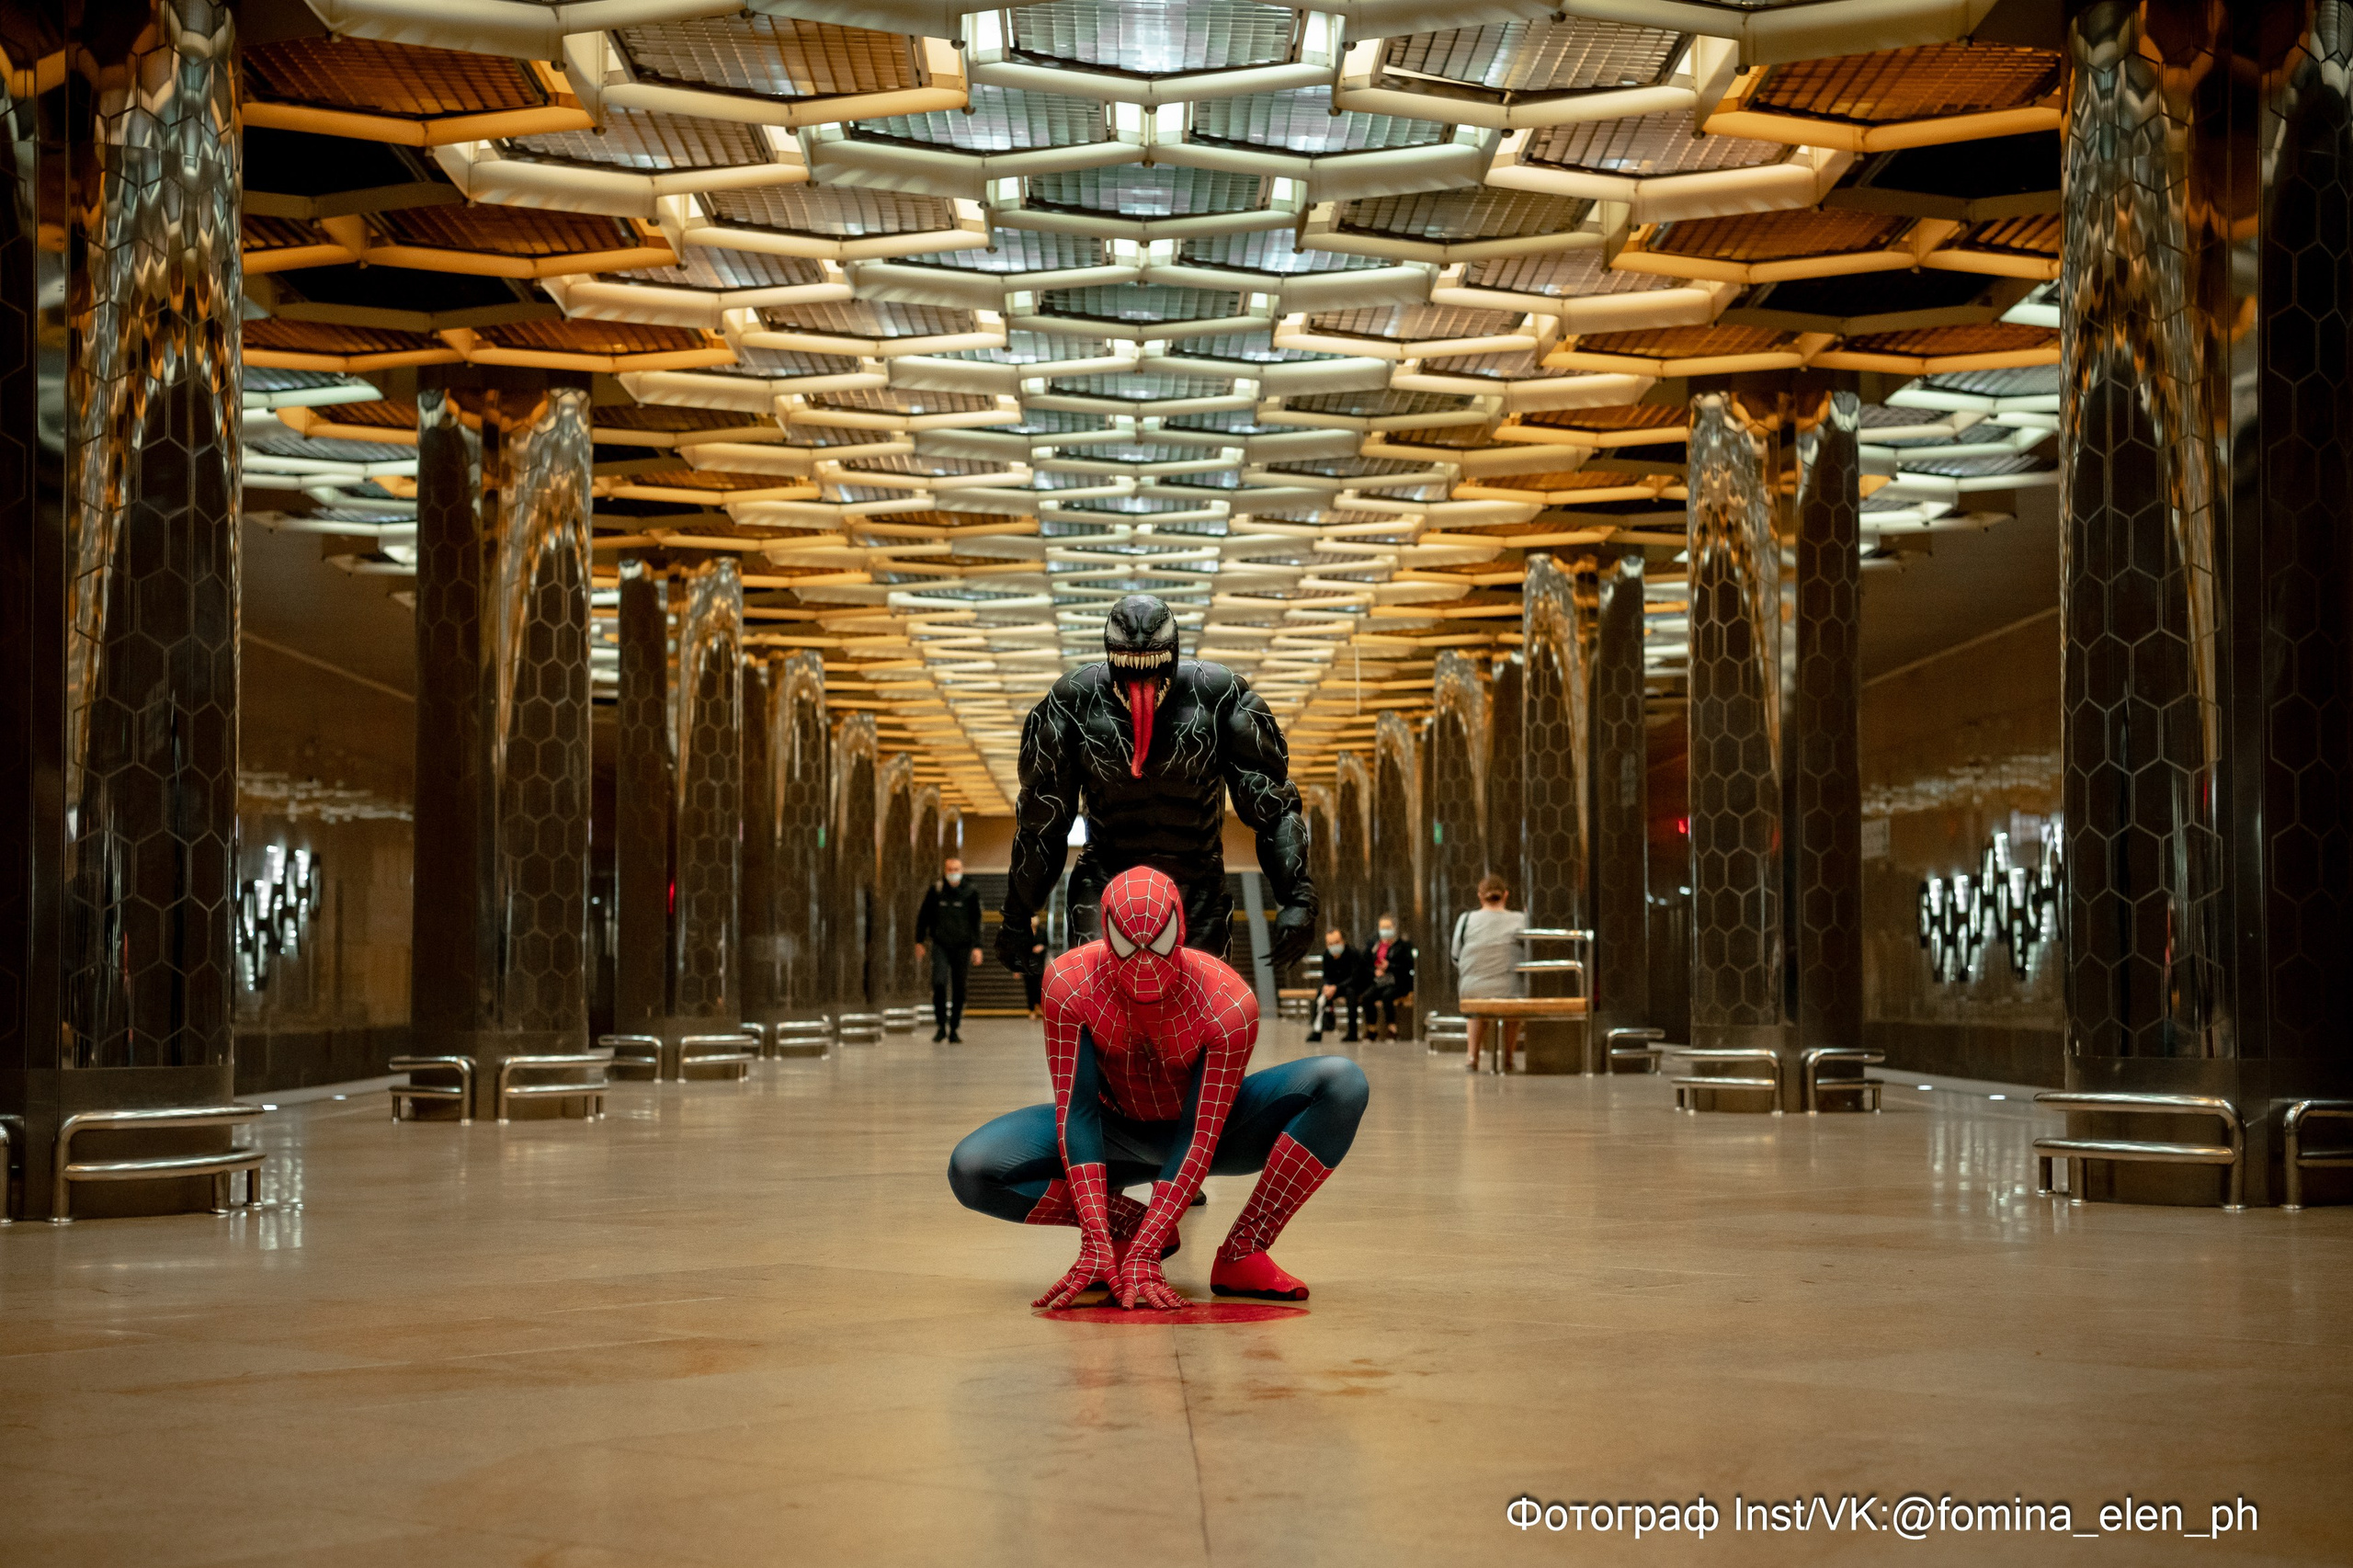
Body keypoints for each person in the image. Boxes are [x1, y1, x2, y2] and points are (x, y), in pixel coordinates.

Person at [949, 865, 1368, 1307]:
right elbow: (1078, 1111)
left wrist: (1145, 1253)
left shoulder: (1228, 1001)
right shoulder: (1069, 984)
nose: (1145, 960)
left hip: (1217, 1130)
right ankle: (1131, 1225)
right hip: (1116, 1130)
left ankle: (1244, 1248)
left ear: (1179, 929)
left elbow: (1201, 1131)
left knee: (1342, 1083)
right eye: (1128, 945)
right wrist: (1102, 1235)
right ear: (1107, 934)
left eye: (1160, 941)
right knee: (973, 1169)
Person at [995, 594, 1318, 977]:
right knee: (1099, 1021)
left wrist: (1298, 896)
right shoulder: (1071, 703)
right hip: (1104, 881)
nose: (1142, 683)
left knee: (1197, 1027)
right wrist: (1017, 914)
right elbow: (1041, 825)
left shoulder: (1220, 698)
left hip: (1196, 884)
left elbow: (1273, 810)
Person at [1452, 874, 1527, 1073]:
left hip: (1472, 988)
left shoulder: (1466, 919)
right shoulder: (1521, 919)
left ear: (1480, 896)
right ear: (1506, 895)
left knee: (1476, 1007)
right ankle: (1508, 1058)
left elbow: (1455, 955)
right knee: (1513, 1003)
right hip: (1511, 987)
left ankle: (1472, 1057)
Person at [915, 856, 984, 1042]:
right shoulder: (936, 891)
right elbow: (924, 916)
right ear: (945, 871)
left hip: (963, 946)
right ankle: (940, 1026)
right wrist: (919, 941)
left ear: (962, 871)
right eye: (950, 870)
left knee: (959, 988)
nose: (953, 873)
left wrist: (978, 947)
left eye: (957, 869)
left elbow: (976, 921)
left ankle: (954, 1028)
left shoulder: (970, 892)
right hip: (941, 945)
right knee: (938, 983)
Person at [1305, 927, 1365, 1043]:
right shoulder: (1327, 956)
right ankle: (1317, 1031)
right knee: (1320, 994)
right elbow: (1326, 975)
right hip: (1335, 986)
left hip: (1352, 985)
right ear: (1327, 945)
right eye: (1330, 944)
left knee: (1351, 994)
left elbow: (1356, 977)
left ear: (1343, 941)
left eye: (1337, 942)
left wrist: (1336, 987)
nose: (1334, 946)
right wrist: (1326, 986)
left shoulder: (1353, 953)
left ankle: (1353, 1033)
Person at [1362, 914, 1416, 1041]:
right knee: (1367, 996)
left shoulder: (1403, 945)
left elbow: (1408, 966)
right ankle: (1371, 1029)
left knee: (1387, 995)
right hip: (1381, 981)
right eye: (1382, 927)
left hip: (1399, 982)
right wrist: (1375, 971)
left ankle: (1392, 1029)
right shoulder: (1375, 945)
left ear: (1394, 928)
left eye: (1387, 927)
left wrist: (1389, 966)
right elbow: (1365, 963)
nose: (1384, 931)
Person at [1020, 913, 1049, 1020]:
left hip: (1039, 963)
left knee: (1038, 986)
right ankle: (1031, 1009)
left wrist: (1042, 947)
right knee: (1029, 987)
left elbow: (1047, 944)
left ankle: (1039, 1007)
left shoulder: (1042, 931)